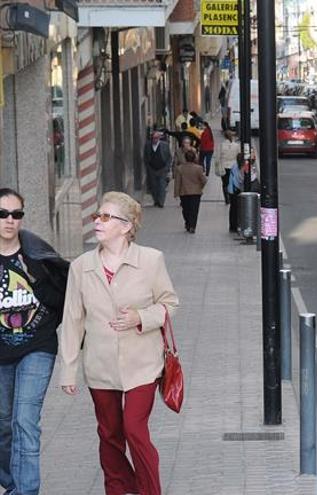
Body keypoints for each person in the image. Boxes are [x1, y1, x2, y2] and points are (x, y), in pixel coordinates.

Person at [59, 192, 178, 495]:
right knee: (110, 436)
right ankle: (117, 488)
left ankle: (150, 490)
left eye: (106, 217)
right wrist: (68, 370)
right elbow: (72, 319)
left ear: (126, 227)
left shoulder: (151, 260)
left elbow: (169, 304)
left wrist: (141, 316)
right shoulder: (81, 267)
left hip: (143, 365)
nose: (97, 222)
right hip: (100, 366)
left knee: (135, 430)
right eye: (97, 216)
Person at [0, 188, 69, 495]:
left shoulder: (37, 255)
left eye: (16, 214)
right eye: (3, 214)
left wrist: (36, 279)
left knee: (25, 421)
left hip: (37, 348)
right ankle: (14, 484)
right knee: (3, 427)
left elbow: (60, 301)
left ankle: (25, 492)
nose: (10, 221)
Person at [174, 150, 207, 233]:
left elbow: (177, 181)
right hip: (196, 193)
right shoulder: (198, 168)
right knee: (194, 210)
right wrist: (200, 187)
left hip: (184, 192)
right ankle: (193, 225)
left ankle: (188, 223)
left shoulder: (180, 168)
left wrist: (176, 193)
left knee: (186, 209)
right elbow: (204, 180)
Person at [143, 130, 172, 208]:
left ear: (159, 138)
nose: (155, 140)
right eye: (153, 138)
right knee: (154, 186)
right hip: (152, 169)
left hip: (162, 168)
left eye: (156, 138)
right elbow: (145, 157)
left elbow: (169, 157)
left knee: (162, 185)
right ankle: (156, 200)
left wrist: (167, 168)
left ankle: (161, 202)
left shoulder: (165, 145)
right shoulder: (148, 145)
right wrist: (148, 166)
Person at [214, 130, 239, 205]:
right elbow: (238, 156)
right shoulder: (236, 146)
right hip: (234, 166)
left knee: (225, 183)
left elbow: (217, 158)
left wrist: (216, 165)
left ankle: (227, 199)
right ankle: (232, 197)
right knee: (233, 182)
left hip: (224, 166)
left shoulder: (221, 145)